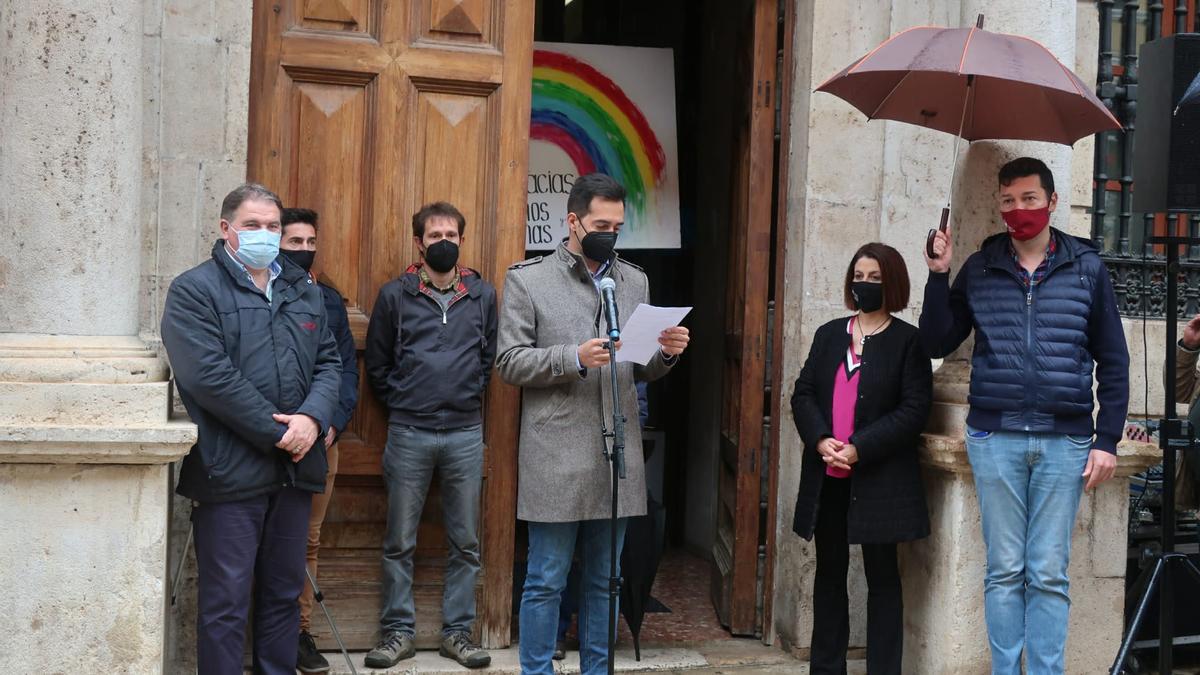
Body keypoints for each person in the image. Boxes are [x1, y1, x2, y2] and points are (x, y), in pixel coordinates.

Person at [921, 157, 1129, 674]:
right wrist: (937, 274)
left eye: (1030, 199)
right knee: (1005, 570)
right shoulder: (982, 267)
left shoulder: (1086, 268)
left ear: (1052, 202)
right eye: (1008, 201)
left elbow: (1114, 359)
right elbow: (935, 340)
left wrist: (1106, 440)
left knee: (1049, 573)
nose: (1019, 210)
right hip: (995, 437)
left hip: (1066, 443)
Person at [495, 173, 690, 675]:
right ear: (573, 221)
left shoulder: (634, 280)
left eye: (618, 226)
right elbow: (510, 362)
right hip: (555, 452)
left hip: (617, 453)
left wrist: (666, 355)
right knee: (546, 579)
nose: (610, 234)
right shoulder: (528, 279)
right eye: (601, 224)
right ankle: (536, 670)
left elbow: (639, 364)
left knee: (607, 580)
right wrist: (572, 358)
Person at [160, 183, 341, 675]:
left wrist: (312, 419)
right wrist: (280, 431)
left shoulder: (301, 289)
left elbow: (330, 362)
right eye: (253, 225)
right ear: (226, 229)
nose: (265, 234)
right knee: (225, 605)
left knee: (283, 597)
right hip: (230, 472)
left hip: (295, 472)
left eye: (273, 227)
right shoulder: (195, 290)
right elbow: (208, 378)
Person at [363, 202, 497, 669]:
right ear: (419, 243)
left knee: (466, 542)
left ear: (462, 240)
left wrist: (463, 394)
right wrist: (406, 397)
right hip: (409, 432)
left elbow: (488, 360)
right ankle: (397, 633)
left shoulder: (482, 296)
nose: (444, 243)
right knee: (399, 541)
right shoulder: (394, 296)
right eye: (434, 235)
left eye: (452, 235)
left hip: (464, 434)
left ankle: (457, 634)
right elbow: (377, 366)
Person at [790, 242, 931, 675]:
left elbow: (913, 410)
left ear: (892, 283)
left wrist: (861, 446)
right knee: (829, 572)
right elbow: (804, 392)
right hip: (828, 473)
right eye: (859, 276)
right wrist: (820, 440)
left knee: (883, 577)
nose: (864, 284)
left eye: (874, 278)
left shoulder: (909, 342)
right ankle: (827, 668)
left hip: (879, 478)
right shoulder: (830, 333)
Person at [278, 208, 360, 673]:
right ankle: (264, 633)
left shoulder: (327, 300)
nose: (305, 251)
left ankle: (299, 633)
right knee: (258, 537)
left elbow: (345, 367)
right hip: (268, 437)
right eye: (295, 243)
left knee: (308, 541)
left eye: (311, 243)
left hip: (322, 440)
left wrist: (330, 422)